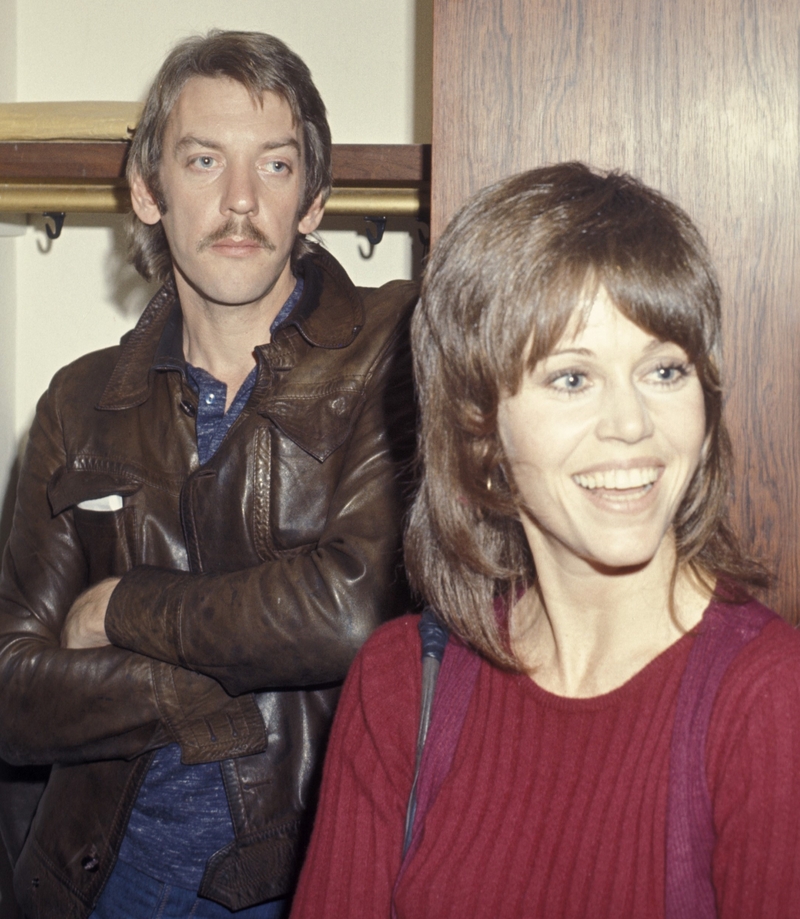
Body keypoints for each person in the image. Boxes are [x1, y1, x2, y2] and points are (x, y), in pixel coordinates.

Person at [290, 163, 800, 918]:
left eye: (664, 369)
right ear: (480, 427)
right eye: (572, 378)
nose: (632, 424)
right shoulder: (401, 688)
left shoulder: (767, 702)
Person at [0, 30, 417, 919]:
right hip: (96, 883)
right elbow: (11, 688)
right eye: (202, 161)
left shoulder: (396, 348)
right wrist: (199, 692)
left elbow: (353, 608)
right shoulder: (78, 404)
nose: (239, 201)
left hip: (316, 878)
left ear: (313, 200)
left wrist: (118, 608)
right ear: (146, 191)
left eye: (274, 165)